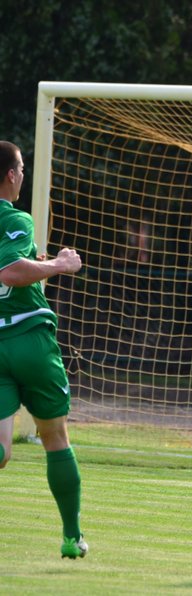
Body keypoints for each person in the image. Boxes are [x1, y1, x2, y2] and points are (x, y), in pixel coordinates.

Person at [0, 141, 87, 559]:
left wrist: (38, 261)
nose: (22, 175)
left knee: (1, 451)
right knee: (54, 435)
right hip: (28, 338)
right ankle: (71, 537)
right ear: (12, 175)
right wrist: (58, 265)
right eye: (21, 168)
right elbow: (10, 271)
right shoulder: (15, 217)